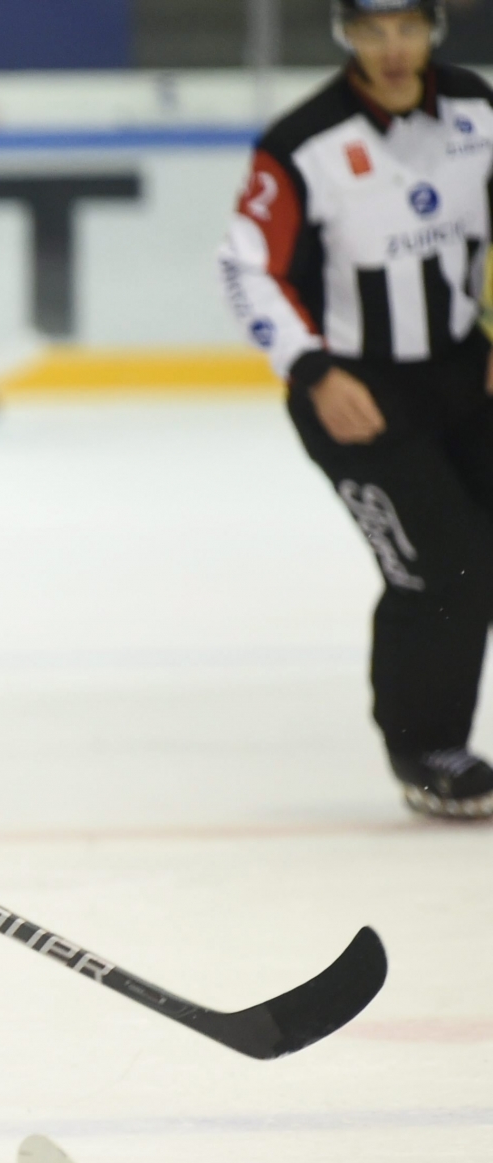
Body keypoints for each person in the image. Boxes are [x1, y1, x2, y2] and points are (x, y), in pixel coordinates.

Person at [219, 0, 493, 820]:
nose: (394, 48)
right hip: (357, 393)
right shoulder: (305, 142)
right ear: (347, 37)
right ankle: (424, 746)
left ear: (434, 29)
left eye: (408, 27)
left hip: (462, 372)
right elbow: (247, 268)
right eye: (373, 31)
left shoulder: (478, 109)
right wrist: (311, 369)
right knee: (441, 567)